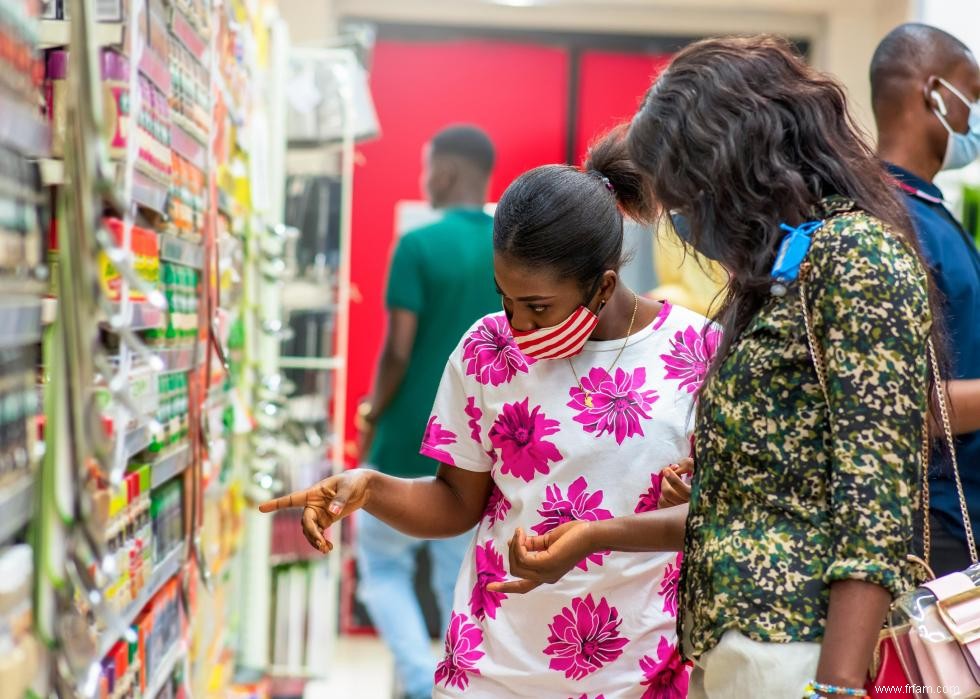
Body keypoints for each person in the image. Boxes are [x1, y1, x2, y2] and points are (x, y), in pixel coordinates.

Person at [490, 36, 940, 699]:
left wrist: (839, 685)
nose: (683, 221)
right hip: (739, 645)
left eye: (685, 197)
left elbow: (876, 495)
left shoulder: (856, 257)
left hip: (801, 649)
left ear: (740, 165)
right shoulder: (784, 271)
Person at [260, 132, 709, 698]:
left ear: (604, 287)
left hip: (634, 674)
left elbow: (718, 520)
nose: (517, 324)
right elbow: (456, 502)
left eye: (538, 306)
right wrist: (372, 488)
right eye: (506, 297)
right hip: (491, 669)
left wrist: (622, 528)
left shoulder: (697, 355)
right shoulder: (487, 351)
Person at [352, 124, 499, 699]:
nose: (424, 179)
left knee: (382, 569)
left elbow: (398, 351)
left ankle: (418, 681)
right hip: (474, 447)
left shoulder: (416, 246)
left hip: (406, 436)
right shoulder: (509, 248)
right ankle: (452, 683)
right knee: (451, 580)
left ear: (445, 170)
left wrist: (372, 410)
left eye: (426, 166)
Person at [870, 23, 980, 576]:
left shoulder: (929, 213)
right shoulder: (887, 223)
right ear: (932, 92)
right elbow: (893, 402)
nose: (972, 120)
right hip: (930, 523)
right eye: (972, 97)